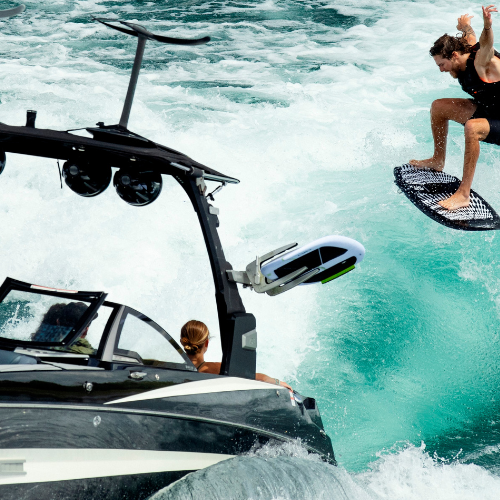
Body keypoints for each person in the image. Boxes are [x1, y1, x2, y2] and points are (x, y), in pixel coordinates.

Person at [410, 5, 500, 210]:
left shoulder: (481, 61)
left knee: (473, 128)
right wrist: (466, 25)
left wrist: (487, 26)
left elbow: (486, 45)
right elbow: (470, 35)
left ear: (454, 56)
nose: (441, 70)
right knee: (439, 106)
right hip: (491, 109)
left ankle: (463, 194)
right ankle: (437, 160)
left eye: (442, 64)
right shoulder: (464, 50)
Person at [180, 320, 292, 390]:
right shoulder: (214, 368)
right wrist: (278, 382)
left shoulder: (172, 367)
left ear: (182, 342)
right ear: (206, 343)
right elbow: (255, 377)